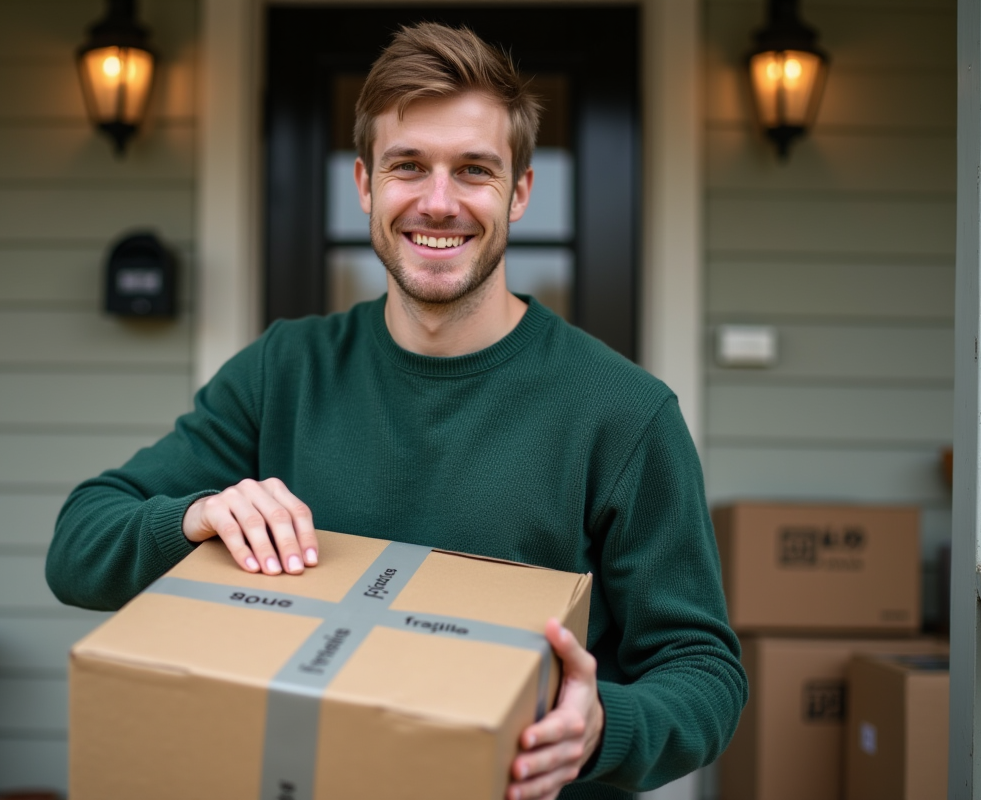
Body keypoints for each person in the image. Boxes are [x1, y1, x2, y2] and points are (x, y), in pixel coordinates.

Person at [47, 22, 746, 800]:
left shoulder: (623, 413)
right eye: (408, 166)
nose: (438, 203)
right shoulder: (285, 372)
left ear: (519, 191)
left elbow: (704, 672)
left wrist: (602, 726)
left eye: (474, 170)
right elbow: (78, 542)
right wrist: (199, 514)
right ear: (364, 185)